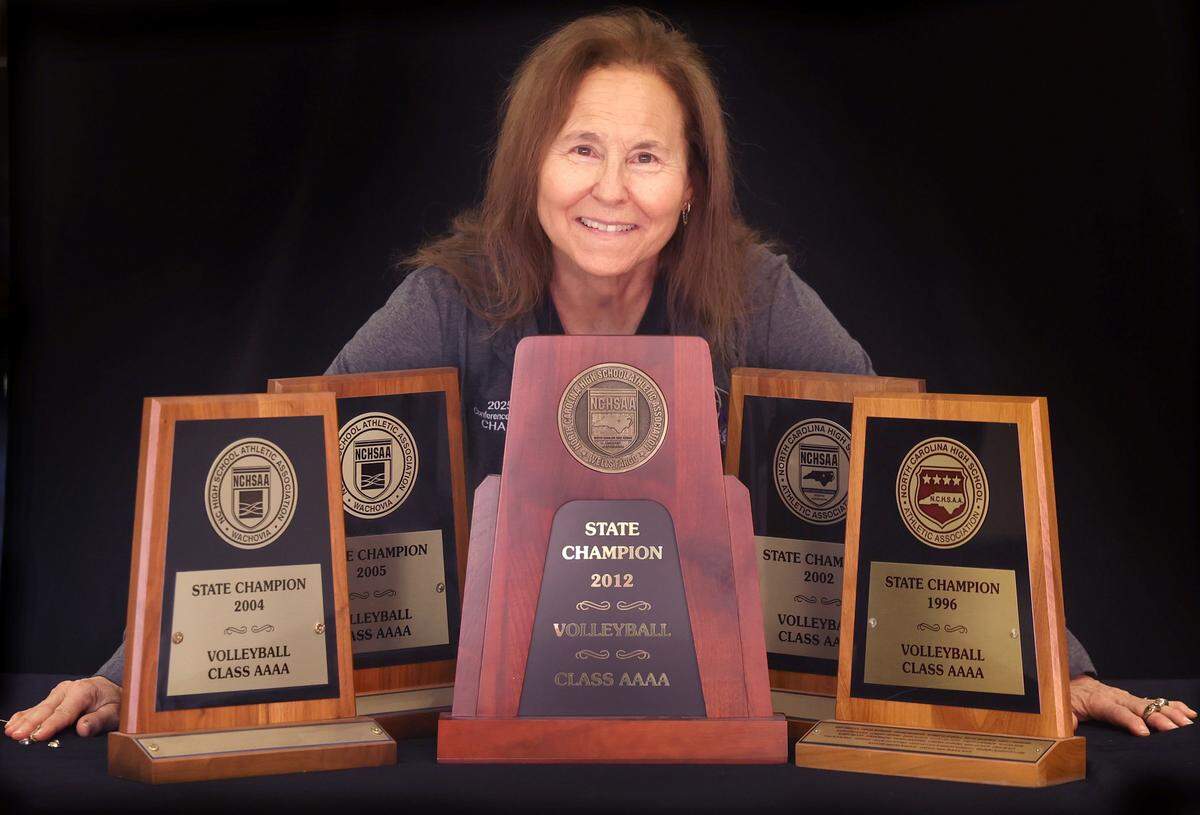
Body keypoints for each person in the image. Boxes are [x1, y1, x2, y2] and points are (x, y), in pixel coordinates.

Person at [6, 8, 1192, 746]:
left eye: (645, 156)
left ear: (691, 185)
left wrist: (1045, 666)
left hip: (720, 705)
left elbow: (906, 478)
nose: (610, 189)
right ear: (531, 167)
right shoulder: (449, 298)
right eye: (581, 148)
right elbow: (293, 496)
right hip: (495, 703)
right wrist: (135, 676)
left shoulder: (757, 296)